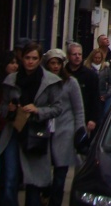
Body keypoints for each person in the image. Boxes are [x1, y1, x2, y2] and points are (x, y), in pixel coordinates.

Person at [0, 41, 63, 206]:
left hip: (35, 133)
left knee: (33, 181)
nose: (30, 61)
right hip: (14, 130)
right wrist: (10, 108)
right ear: (22, 59)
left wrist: (38, 110)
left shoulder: (50, 81)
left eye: (34, 58)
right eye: (27, 58)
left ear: (40, 60)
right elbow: (2, 107)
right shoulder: (11, 79)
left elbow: (57, 108)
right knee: (10, 177)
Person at [42, 49, 85, 206]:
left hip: (65, 132)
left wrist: (80, 132)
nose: (55, 66)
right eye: (52, 63)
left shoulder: (70, 83)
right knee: (44, 174)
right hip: (45, 132)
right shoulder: (44, 82)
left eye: (58, 63)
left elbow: (78, 109)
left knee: (60, 176)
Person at [65, 43, 100, 135]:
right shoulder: (63, 74)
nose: (77, 57)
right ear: (68, 56)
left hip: (85, 118)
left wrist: (93, 119)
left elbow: (95, 98)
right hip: (65, 119)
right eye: (74, 54)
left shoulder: (90, 76)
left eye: (79, 54)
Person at [86, 48, 111, 123]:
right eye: (95, 58)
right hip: (90, 97)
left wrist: (107, 94)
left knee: (101, 118)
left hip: (102, 96)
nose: (97, 60)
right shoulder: (87, 68)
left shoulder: (105, 68)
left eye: (99, 58)